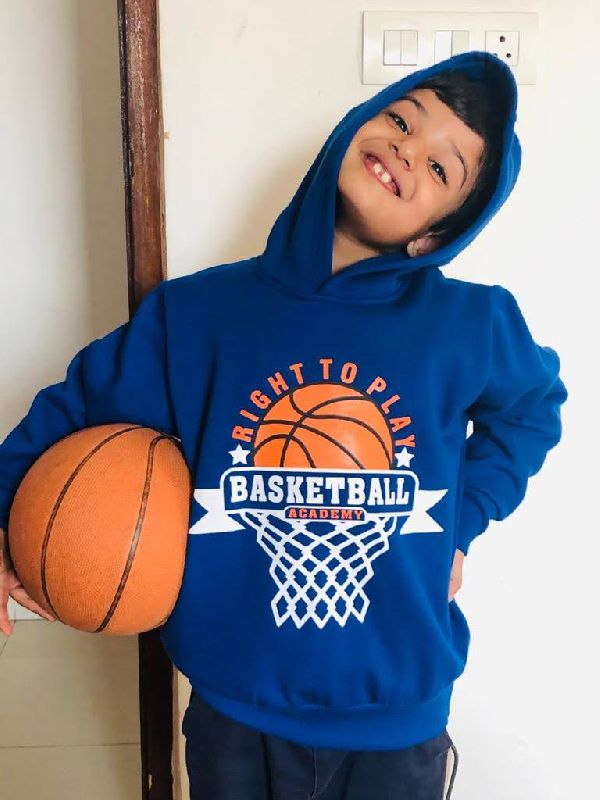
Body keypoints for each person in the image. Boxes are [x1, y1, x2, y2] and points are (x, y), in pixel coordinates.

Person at [0, 51, 567, 799]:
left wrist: (462, 520)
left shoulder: (471, 323)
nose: (408, 149)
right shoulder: (198, 314)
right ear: (353, 129)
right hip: (234, 705)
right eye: (402, 120)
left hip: (396, 713)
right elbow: (74, 410)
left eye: (441, 167)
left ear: (437, 235)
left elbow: (532, 408)